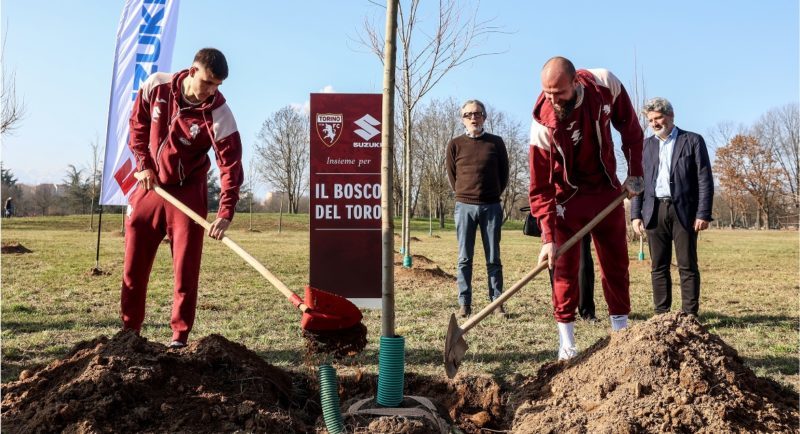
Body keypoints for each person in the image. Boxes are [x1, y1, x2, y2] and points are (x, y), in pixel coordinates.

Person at [121, 48, 243, 348]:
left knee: (185, 271)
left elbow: (231, 166)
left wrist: (225, 213)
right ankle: (128, 333)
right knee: (133, 268)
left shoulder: (219, 113)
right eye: (208, 82)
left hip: (188, 193)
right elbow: (137, 126)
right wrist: (144, 165)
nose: (211, 91)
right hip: (150, 187)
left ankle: (179, 337)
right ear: (192, 71)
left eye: (217, 86)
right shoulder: (157, 86)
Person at [528, 56, 644, 360]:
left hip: (607, 192)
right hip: (567, 200)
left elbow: (630, 130)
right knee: (564, 270)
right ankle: (566, 344)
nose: (552, 99)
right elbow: (540, 187)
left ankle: (620, 332)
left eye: (559, 93)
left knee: (616, 264)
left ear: (576, 83)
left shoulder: (605, 83)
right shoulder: (542, 123)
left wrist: (635, 173)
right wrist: (548, 237)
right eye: (547, 93)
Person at [631, 97, 713, 316]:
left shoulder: (693, 141)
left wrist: (703, 213)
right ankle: (662, 315)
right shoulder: (645, 146)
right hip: (654, 211)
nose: (655, 123)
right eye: (650, 120)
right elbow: (639, 182)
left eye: (658, 118)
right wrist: (635, 215)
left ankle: (689, 315)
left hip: (684, 212)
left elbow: (704, 179)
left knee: (687, 265)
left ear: (670, 116)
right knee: (658, 266)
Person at [446, 99, 510, 318]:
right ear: (462, 119)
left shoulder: (496, 143)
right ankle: (465, 303)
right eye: (468, 115)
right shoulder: (455, 144)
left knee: (493, 258)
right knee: (465, 258)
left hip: (491, 207)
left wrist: (491, 195)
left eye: (478, 113)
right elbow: (452, 176)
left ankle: (497, 303)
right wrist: (466, 194)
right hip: (464, 207)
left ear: (485, 116)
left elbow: (504, 175)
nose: (473, 118)